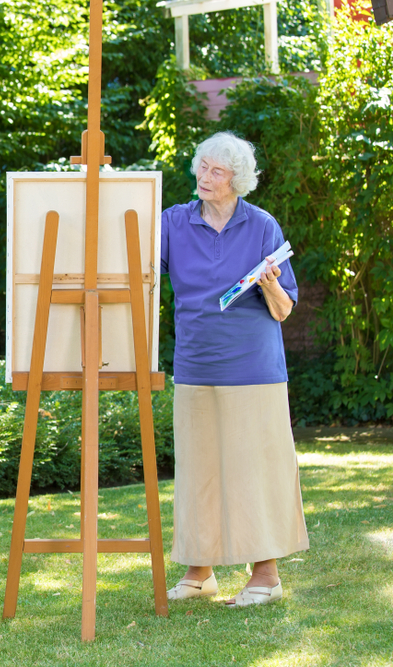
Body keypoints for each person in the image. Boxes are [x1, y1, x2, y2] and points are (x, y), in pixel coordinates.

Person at [161, 131, 309, 607]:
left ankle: (265, 575)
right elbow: (140, 276)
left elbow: (284, 310)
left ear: (237, 180)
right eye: (202, 166)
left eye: (217, 171)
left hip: (255, 368)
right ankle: (199, 572)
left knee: (255, 470)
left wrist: (269, 284)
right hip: (195, 364)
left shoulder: (263, 226)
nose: (204, 177)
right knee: (198, 469)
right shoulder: (173, 223)